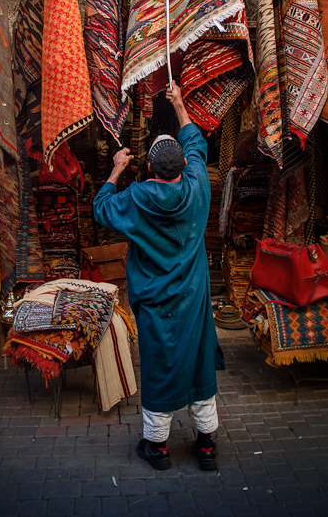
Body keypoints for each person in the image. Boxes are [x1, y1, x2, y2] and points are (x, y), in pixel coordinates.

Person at [93, 80, 225, 472]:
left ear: (148, 168)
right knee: (199, 363)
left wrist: (117, 169)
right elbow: (196, 142)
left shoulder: (136, 197)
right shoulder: (198, 185)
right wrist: (180, 104)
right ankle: (205, 447)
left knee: (159, 365)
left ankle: (159, 448)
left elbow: (101, 208)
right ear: (184, 165)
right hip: (195, 297)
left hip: (154, 301)